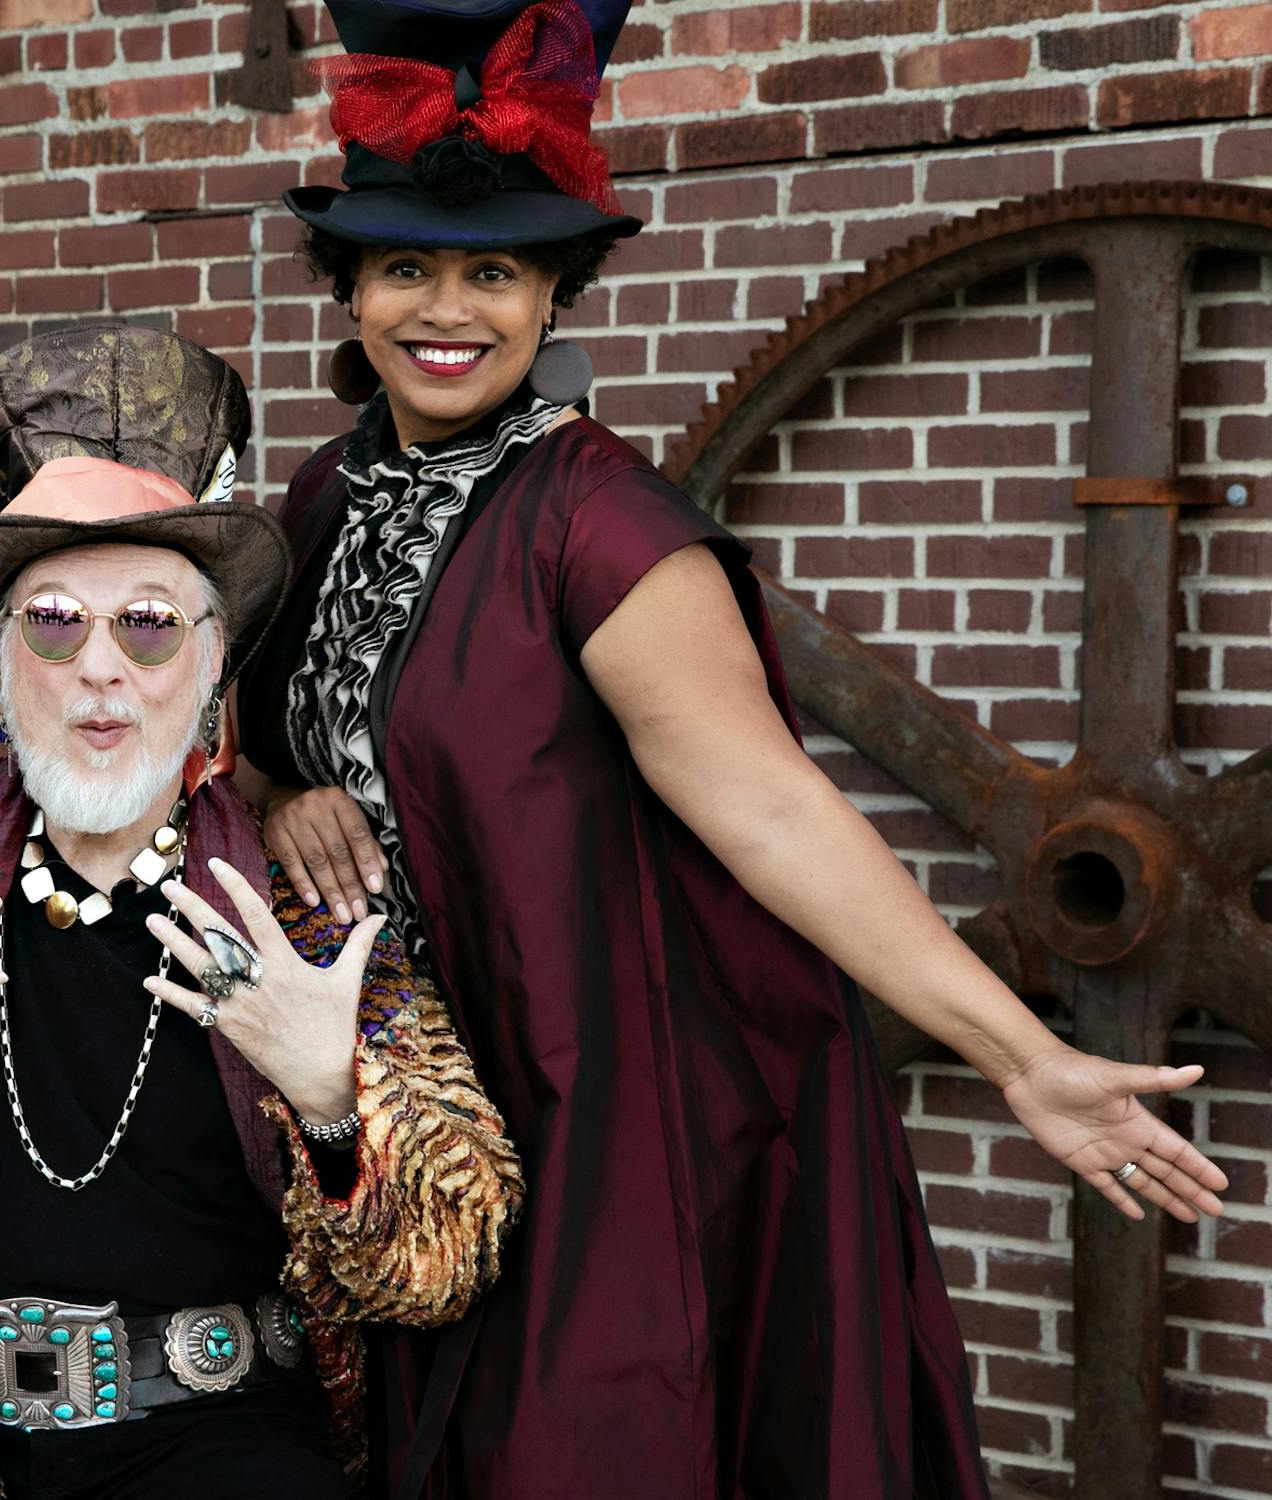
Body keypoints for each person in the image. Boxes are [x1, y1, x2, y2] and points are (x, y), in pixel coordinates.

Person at [233, 4, 1235, 1497]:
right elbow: (241, 744)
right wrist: (287, 790)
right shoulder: (321, 498)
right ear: (352, 289)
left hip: (599, 1128)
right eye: (405, 269)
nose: (449, 311)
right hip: (377, 1123)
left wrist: (1024, 1058)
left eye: (496, 271)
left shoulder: (599, 523)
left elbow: (771, 809)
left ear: (556, 294)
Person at [0, 326, 522, 1500]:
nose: (101, 667)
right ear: (2, 666)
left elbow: (444, 1267)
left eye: (151, 624)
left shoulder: (297, 912)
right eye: (54, 623)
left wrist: (328, 1103)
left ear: (213, 667)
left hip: (223, 1436)